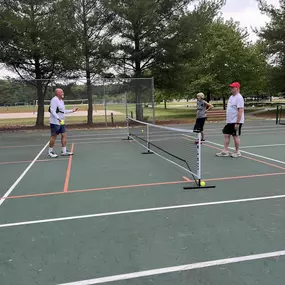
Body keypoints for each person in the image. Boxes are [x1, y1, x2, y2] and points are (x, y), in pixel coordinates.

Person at [216, 82, 244, 158]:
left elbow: (240, 110)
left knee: (235, 136)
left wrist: (237, 123)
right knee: (226, 134)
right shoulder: (231, 97)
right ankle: (225, 151)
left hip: (236, 121)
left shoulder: (239, 97)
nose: (231, 89)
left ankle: (237, 152)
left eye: (233, 87)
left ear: (237, 88)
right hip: (230, 121)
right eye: (231, 87)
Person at [48, 88, 78, 158]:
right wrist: (58, 118)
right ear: (58, 93)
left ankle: (64, 151)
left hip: (61, 121)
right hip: (55, 122)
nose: (63, 93)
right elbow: (52, 111)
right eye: (62, 92)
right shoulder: (54, 100)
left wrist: (72, 111)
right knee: (54, 136)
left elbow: (63, 111)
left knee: (64, 135)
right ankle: (50, 152)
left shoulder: (61, 101)